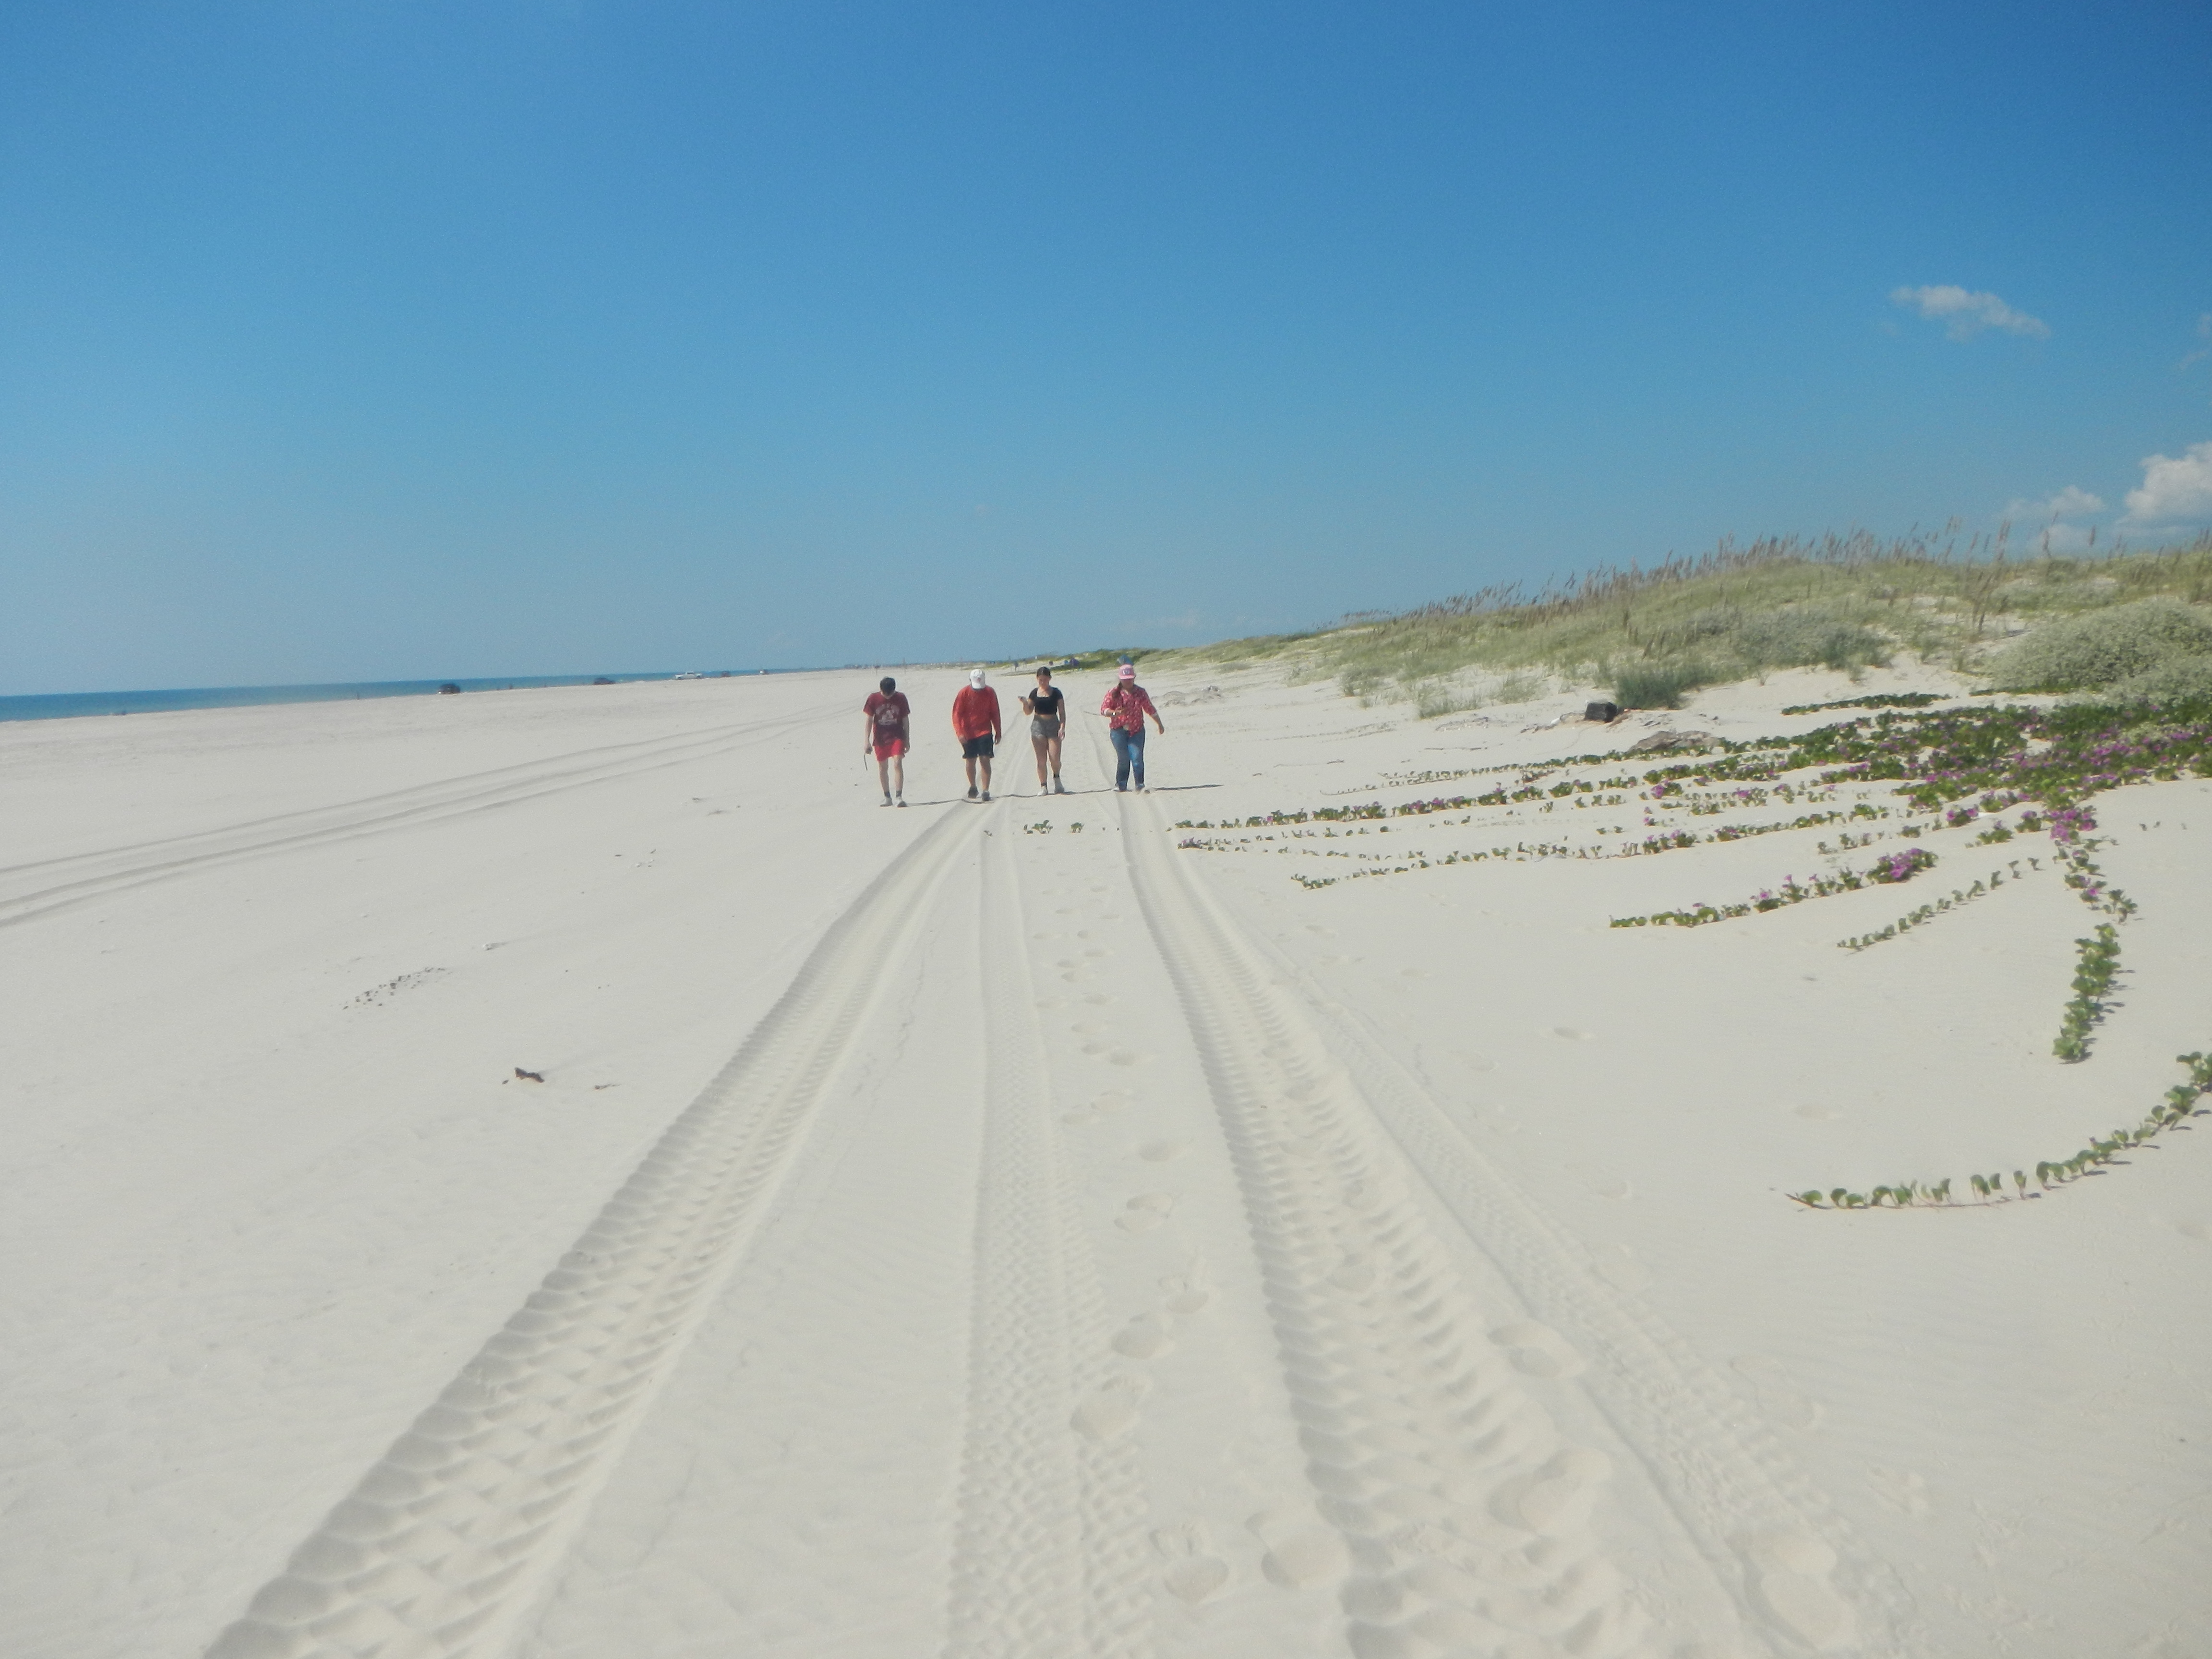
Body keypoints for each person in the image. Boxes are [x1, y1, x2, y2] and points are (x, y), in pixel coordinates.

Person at [1099, 663, 1165, 791]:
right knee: (1123, 759)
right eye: (1125, 679)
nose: (1128, 681)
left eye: (1130, 678)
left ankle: (1140, 784)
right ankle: (1121, 784)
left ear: (1134, 678)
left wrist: (1159, 724)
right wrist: (1114, 713)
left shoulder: (1141, 692)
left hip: (1137, 730)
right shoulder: (1114, 693)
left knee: (1137, 757)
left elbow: (1149, 709)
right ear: (1121, 680)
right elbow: (1103, 710)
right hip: (1118, 731)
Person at [951, 667, 1002, 801]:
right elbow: (957, 714)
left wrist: (998, 731)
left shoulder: (990, 692)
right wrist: (960, 733)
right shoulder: (963, 693)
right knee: (971, 760)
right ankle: (973, 786)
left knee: (985, 759)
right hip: (968, 732)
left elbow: (995, 712)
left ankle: (986, 790)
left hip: (985, 731)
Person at [861, 676, 911, 806]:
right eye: (885, 694)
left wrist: (907, 739)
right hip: (881, 738)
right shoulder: (873, 699)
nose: (888, 696)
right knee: (883, 767)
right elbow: (869, 720)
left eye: (891, 694)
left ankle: (899, 796)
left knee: (897, 762)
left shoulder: (901, 698)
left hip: (897, 735)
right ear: (881, 690)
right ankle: (887, 797)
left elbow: (905, 719)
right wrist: (866, 740)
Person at [1020, 666, 1067, 794]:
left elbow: (1062, 712)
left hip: (1053, 725)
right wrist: (1025, 703)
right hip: (1038, 726)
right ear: (1037, 679)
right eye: (1040, 680)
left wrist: (1062, 727)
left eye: (1045, 680)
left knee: (1055, 758)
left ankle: (1057, 778)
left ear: (1050, 679)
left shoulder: (1056, 693)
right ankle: (1043, 786)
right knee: (1041, 760)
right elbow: (1028, 711)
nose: (1043, 682)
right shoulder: (1034, 693)